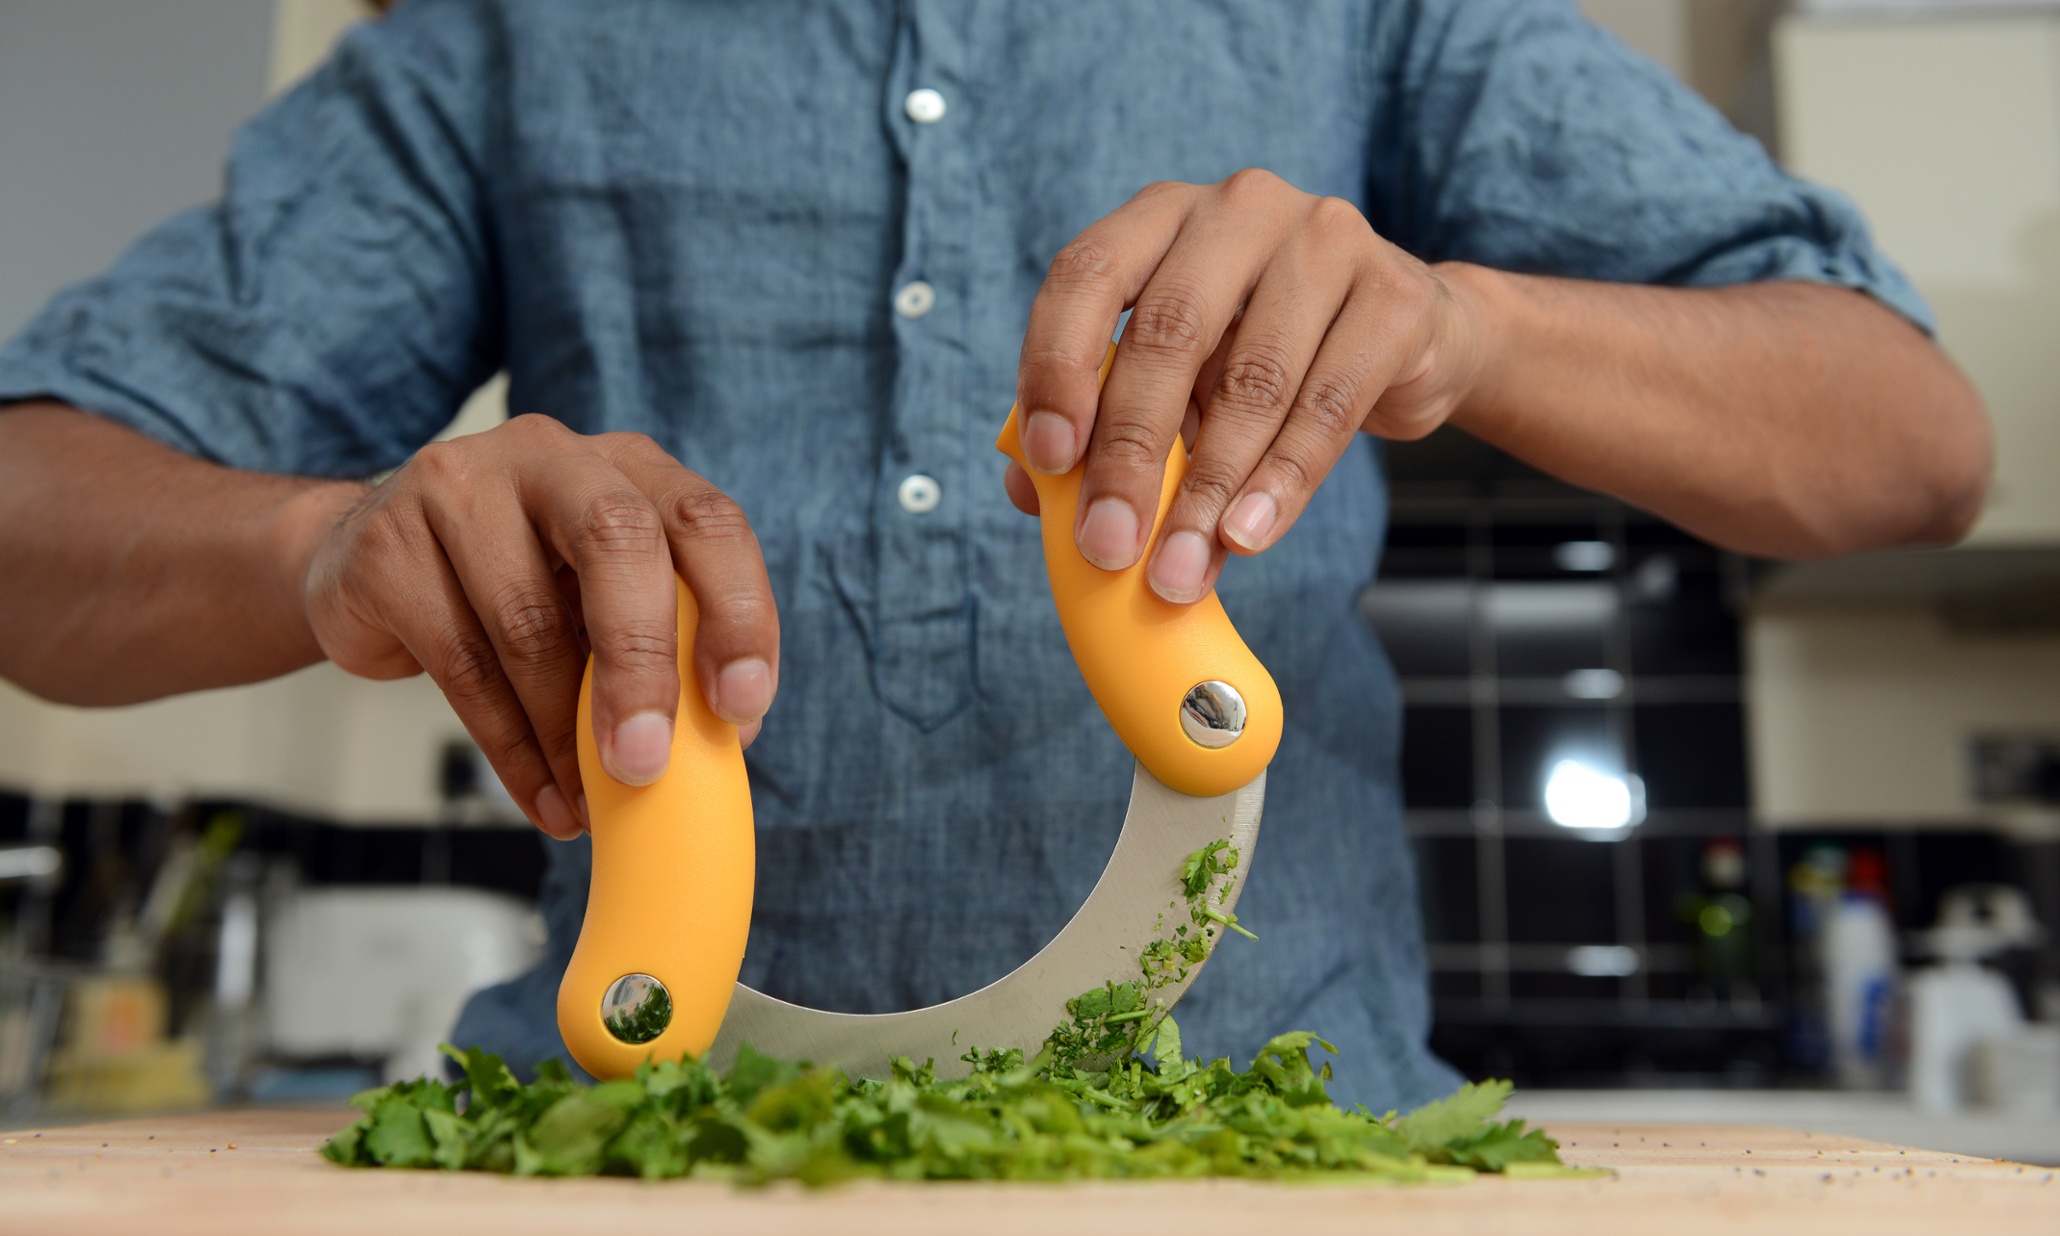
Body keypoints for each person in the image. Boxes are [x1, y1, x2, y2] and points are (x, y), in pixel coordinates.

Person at [0, 0, 1986, 1109]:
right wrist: (321, 540)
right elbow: (35, 518)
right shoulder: (504, 34)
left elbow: (1907, 443)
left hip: (1281, 1153)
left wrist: (1462, 325)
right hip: (616, 1154)